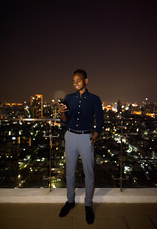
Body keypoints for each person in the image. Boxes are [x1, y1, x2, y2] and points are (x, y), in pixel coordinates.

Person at [58, 69, 103, 224]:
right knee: (69, 172)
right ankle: (70, 201)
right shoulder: (68, 98)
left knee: (88, 173)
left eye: (78, 80)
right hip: (70, 136)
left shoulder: (95, 99)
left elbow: (100, 120)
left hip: (86, 138)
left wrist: (94, 137)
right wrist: (61, 112)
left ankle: (88, 205)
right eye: (73, 80)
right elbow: (64, 119)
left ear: (86, 81)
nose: (75, 83)